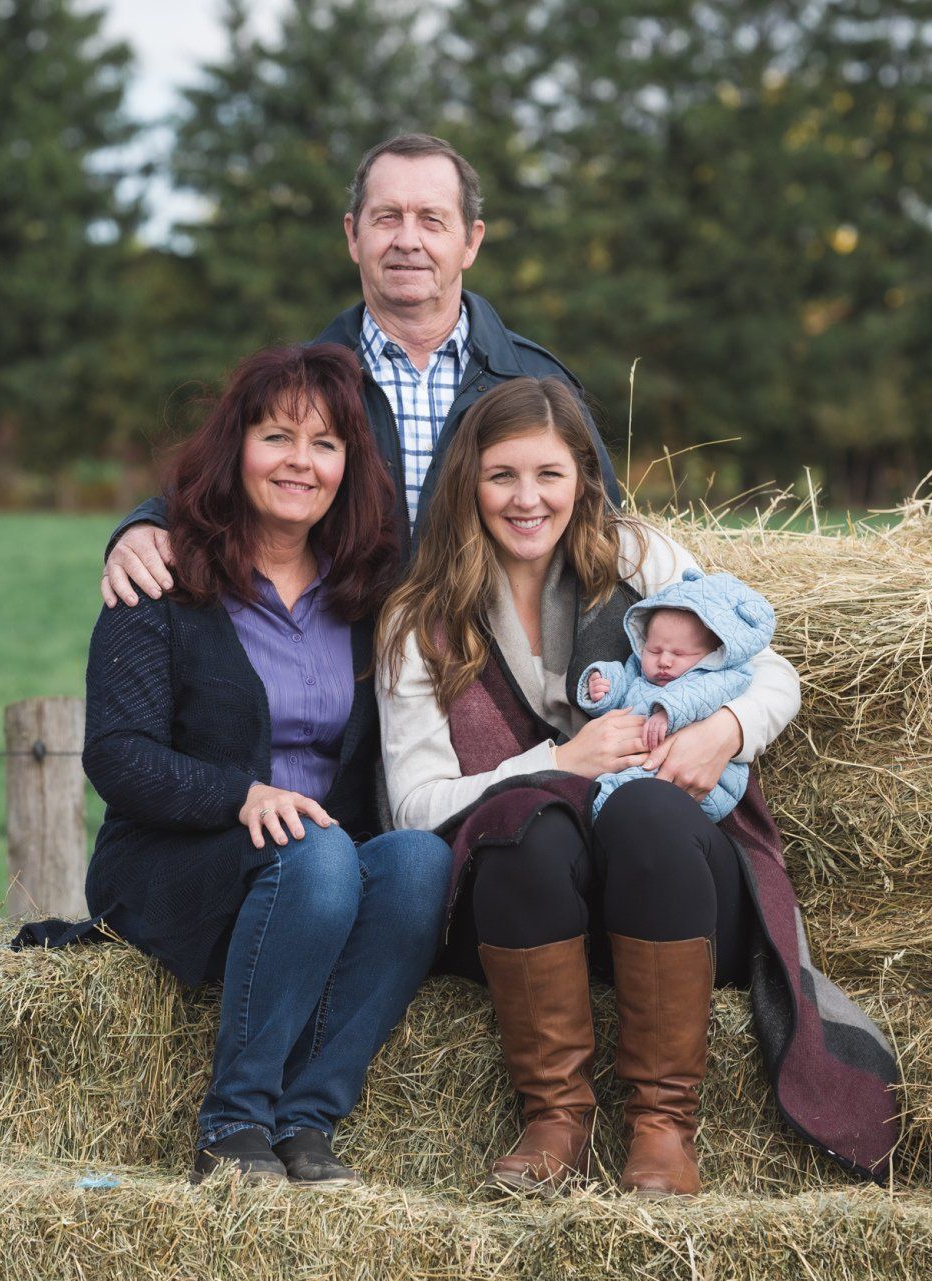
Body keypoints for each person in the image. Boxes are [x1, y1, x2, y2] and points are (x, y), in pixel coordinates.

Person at [375, 376, 899, 1197]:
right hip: (523, 914)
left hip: (673, 894)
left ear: (583, 476)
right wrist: (558, 763)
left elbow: (773, 676)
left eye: (549, 473)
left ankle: (661, 1132)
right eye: (501, 474)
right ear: (466, 482)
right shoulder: (419, 624)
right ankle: (557, 1121)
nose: (526, 498)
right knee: (521, 817)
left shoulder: (641, 559)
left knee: (650, 810)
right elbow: (412, 806)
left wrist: (722, 730)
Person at [78, 343, 453, 1188]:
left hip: (324, 876)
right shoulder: (164, 577)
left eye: (324, 444)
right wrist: (242, 793)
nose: (300, 462)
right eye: (277, 436)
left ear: (348, 467)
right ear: (233, 448)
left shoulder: (368, 592)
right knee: (316, 852)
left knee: (420, 860)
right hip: (183, 862)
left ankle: (308, 1116)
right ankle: (233, 1122)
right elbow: (116, 755)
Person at [101, 132, 621, 607]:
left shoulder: (536, 383)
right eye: (387, 217)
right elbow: (212, 488)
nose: (408, 240)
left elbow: (606, 534)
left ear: (471, 242)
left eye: (432, 220)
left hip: (499, 684)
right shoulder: (296, 385)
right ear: (354, 235)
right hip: (341, 685)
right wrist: (143, 525)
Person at [575, 570, 777, 823]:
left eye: (680, 654)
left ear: (710, 655)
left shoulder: (721, 675)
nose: (664, 661)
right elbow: (621, 694)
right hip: (640, 762)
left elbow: (700, 695)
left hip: (693, 773)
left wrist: (667, 712)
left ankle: (597, 807)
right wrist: (602, 687)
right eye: (654, 650)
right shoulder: (640, 671)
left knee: (630, 788)